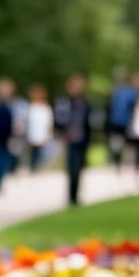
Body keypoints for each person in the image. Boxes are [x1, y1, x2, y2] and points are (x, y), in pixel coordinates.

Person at [53, 73, 94, 206]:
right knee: (72, 168)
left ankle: (75, 196)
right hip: (69, 139)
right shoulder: (64, 102)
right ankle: (71, 197)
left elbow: (88, 123)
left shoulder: (84, 103)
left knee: (78, 168)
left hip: (82, 139)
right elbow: (59, 121)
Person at [105, 69, 137, 174]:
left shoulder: (116, 92)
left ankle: (117, 163)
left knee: (116, 143)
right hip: (125, 122)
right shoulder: (131, 92)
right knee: (127, 144)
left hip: (115, 122)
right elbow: (134, 108)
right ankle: (124, 164)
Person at [24, 84, 54, 172]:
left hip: (42, 135)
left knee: (41, 154)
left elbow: (49, 122)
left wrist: (48, 134)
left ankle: (40, 168)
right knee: (33, 154)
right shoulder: (30, 108)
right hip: (32, 135)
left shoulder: (45, 108)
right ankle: (32, 168)